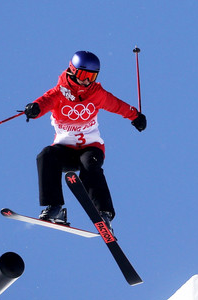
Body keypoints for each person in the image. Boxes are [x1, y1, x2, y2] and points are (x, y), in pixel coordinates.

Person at [23, 51, 146, 231]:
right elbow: (44, 102)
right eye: (83, 75)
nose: (86, 81)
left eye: (91, 76)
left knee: (89, 164)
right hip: (65, 150)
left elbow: (118, 105)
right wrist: (34, 109)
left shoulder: (97, 94)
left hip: (91, 147)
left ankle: (104, 213)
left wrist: (135, 116)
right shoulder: (59, 93)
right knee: (46, 155)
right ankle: (55, 207)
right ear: (72, 71)